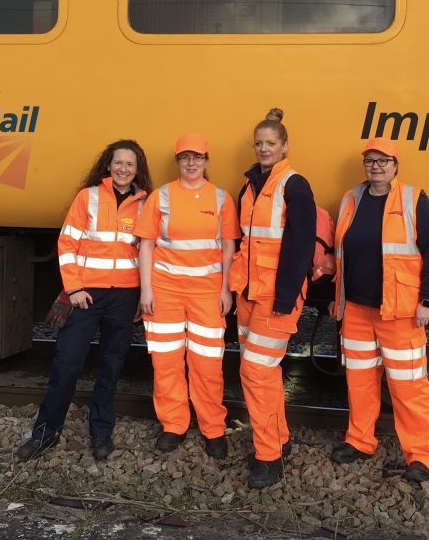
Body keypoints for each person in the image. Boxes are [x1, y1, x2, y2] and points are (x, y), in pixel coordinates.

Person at [16, 139, 152, 462]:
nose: (123, 169)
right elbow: (67, 244)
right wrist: (74, 288)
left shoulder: (146, 204)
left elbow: (149, 252)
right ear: (108, 165)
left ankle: (101, 433)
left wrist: (143, 293)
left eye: (129, 165)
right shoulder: (88, 197)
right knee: (67, 364)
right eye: (118, 163)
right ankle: (45, 434)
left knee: (111, 366)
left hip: (123, 296)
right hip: (86, 296)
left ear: (137, 170)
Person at [329, 137, 429, 482]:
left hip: (400, 311)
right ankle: (360, 441)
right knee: (360, 382)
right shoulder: (351, 199)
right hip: (358, 311)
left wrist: (426, 300)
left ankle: (421, 456)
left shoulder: (413, 199)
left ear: (395, 166)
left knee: (408, 387)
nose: (376, 167)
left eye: (383, 161)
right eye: (370, 161)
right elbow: (342, 253)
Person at [136, 133, 239, 460]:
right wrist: (146, 290)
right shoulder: (161, 196)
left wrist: (226, 289)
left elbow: (227, 248)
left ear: (206, 161)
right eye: (185, 157)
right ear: (178, 162)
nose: (191, 163)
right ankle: (174, 425)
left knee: (207, 364)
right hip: (165, 291)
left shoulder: (221, 198)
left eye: (197, 157)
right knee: (165, 362)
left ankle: (213, 429)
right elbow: (147, 245)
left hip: (207, 293)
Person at [229, 108, 316, 489]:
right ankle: (278, 440)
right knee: (266, 374)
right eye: (260, 143)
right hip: (249, 293)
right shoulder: (249, 186)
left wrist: (284, 297)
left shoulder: (295, 185)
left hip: (275, 297)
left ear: (285, 147)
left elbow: (300, 247)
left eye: (271, 143)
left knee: (255, 372)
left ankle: (269, 458)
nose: (264, 148)